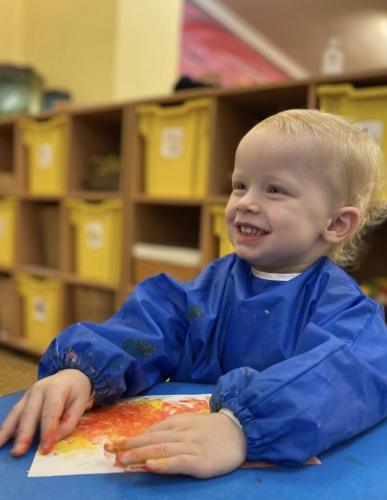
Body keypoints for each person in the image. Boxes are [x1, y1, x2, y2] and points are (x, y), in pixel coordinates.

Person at [1, 109, 387, 479]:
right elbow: (148, 326)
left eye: (275, 190)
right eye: (240, 185)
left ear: (337, 223)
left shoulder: (348, 314)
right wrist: (82, 371)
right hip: (180, 471)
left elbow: (347, 376)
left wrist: (241, 428)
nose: (246, 202)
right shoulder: (210, 288)